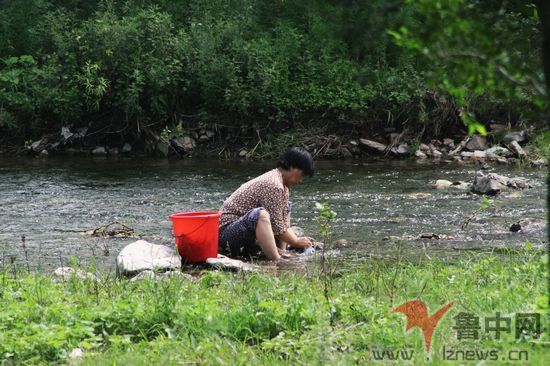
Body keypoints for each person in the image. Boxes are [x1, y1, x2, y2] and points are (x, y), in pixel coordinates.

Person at [218, 147, 314, 260]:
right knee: (260, 215)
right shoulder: (274, 185)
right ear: (292, 167)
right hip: (225, 235)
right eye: (302, 175)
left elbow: (280, 225)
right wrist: (295, 241)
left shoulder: (282, 185)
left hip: (243, 232)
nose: (301, 180)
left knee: (286, 205)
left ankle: (281, 252)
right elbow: (277, 227)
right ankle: (277, 261)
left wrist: (294, 242)